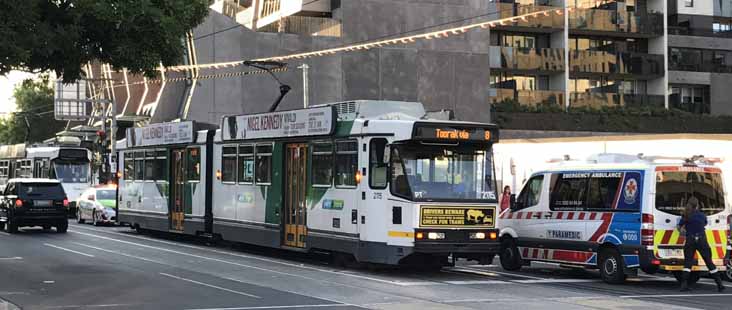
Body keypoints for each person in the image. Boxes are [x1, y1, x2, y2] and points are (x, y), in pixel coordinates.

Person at [678, 198, 725, 292]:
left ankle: (684, 285)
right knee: (708, 261)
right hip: (702, 240)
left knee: (688, 262)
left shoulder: (686, 215)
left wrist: (683, 231)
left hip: (690, 240)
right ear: (698, 205)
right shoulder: (702, 215)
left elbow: (680, 227)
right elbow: (704, 224)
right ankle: (719, 284)